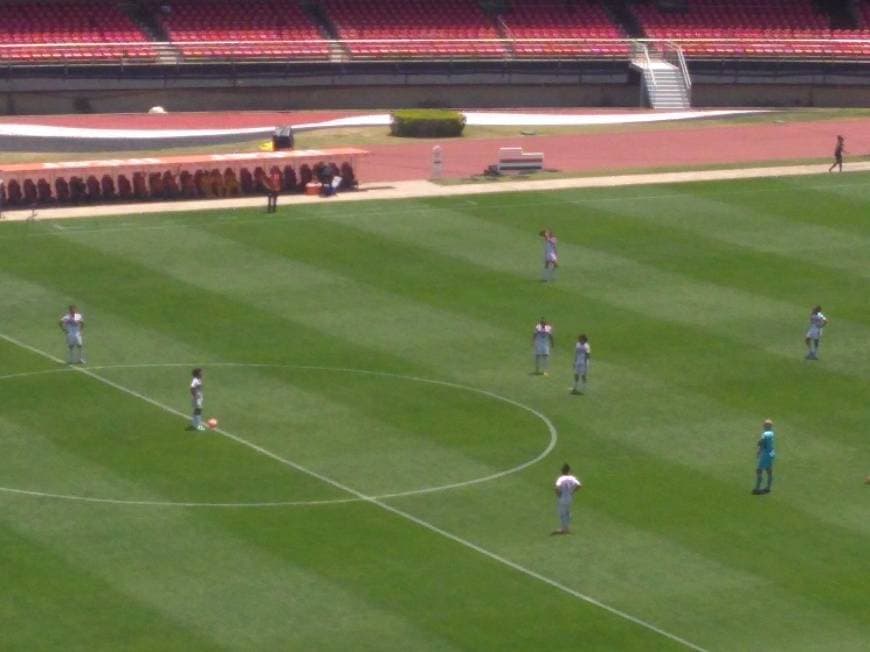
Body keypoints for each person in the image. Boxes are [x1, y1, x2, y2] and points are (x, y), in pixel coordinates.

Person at [552, 463, 582, 534]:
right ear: (569, 471)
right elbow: (579, 485)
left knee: (562, 513)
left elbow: (556, 487)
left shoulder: (561, 478)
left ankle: (563, 529)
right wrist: (572, 492)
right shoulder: (572, 478)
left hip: (563, 497)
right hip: (569, 497)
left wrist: (559, 494)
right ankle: (567, 528)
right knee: (567, 512)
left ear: (562, 471)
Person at [752, 419, 776, 495]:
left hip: (765, 454)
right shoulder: (772, 433)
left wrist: (758, 443)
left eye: (765, 424)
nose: (763, 425)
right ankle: (768, 487)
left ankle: (757, 488)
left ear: (766, 426)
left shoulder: (765, 433)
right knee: (769, 470)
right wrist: (759, 450)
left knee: (759, 470)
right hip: (771, 453)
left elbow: (761, 441)